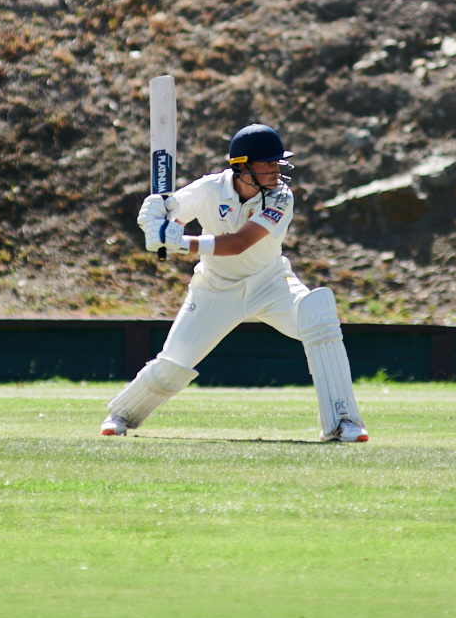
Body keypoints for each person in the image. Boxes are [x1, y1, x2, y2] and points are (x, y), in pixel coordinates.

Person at [104, 123, 368, 443]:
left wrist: (181, 242)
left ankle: (343, 421)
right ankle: (121, 414)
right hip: (216, 287)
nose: (276, 171)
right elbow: (170, 215)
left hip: (271, 282)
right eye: (267, 164)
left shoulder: (281, 197)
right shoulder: (208, 189)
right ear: (242, 166)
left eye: (277, 163)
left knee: (320, 316)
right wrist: (155, 221)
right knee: (173, 363)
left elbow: (239, 243)